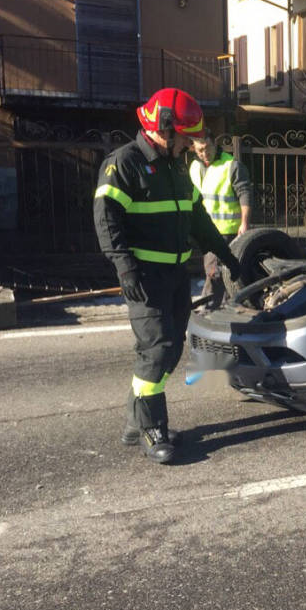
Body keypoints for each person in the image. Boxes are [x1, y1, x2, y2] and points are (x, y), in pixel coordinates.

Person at [93, 88, 241, 464]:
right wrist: (124, 266)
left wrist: (227, 255)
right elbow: (106, 218)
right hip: (145, 277)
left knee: (170, 349)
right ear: (164, 128)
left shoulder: (173, 166)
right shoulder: (124, 163)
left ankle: (134, 421)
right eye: (186, 138)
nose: (191, 146)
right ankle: (151, 428)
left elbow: (197, 219)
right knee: (157, 351)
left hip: (175, 274)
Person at [188, 129, 253, 304]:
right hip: (207, 231)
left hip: (229, 231)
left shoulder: (231, 165)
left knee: (215, 274)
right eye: (200, 150)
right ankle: (225, 306)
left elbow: (245, 193)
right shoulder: (194, 167)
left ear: (214, 144)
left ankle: (209, 308)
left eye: (207, 147)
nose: (204, 153)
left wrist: (244, 222)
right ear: (193, 149)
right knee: (218, 273)